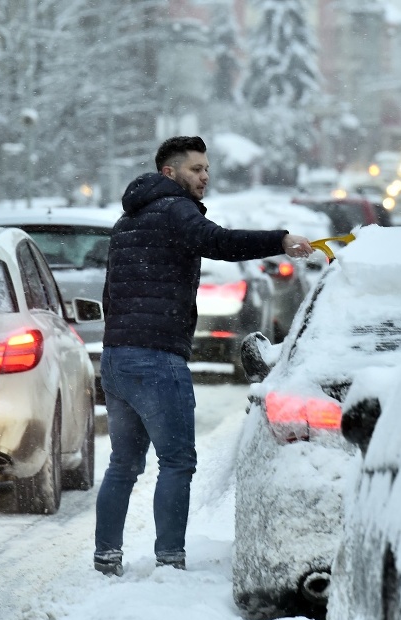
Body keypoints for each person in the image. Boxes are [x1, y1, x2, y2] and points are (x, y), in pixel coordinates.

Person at [94, 136, 313, 576]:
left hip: (117, 357)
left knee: (123, 463)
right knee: (177, 462)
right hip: (156, 358)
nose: (205, 177)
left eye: (207, 169)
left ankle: (106, 555)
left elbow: (110, 294)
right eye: (196, 169)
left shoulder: (127, 221)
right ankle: (170, 561)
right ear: (169, 173)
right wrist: (280, 239)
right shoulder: (176, 210)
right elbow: (218, 242)